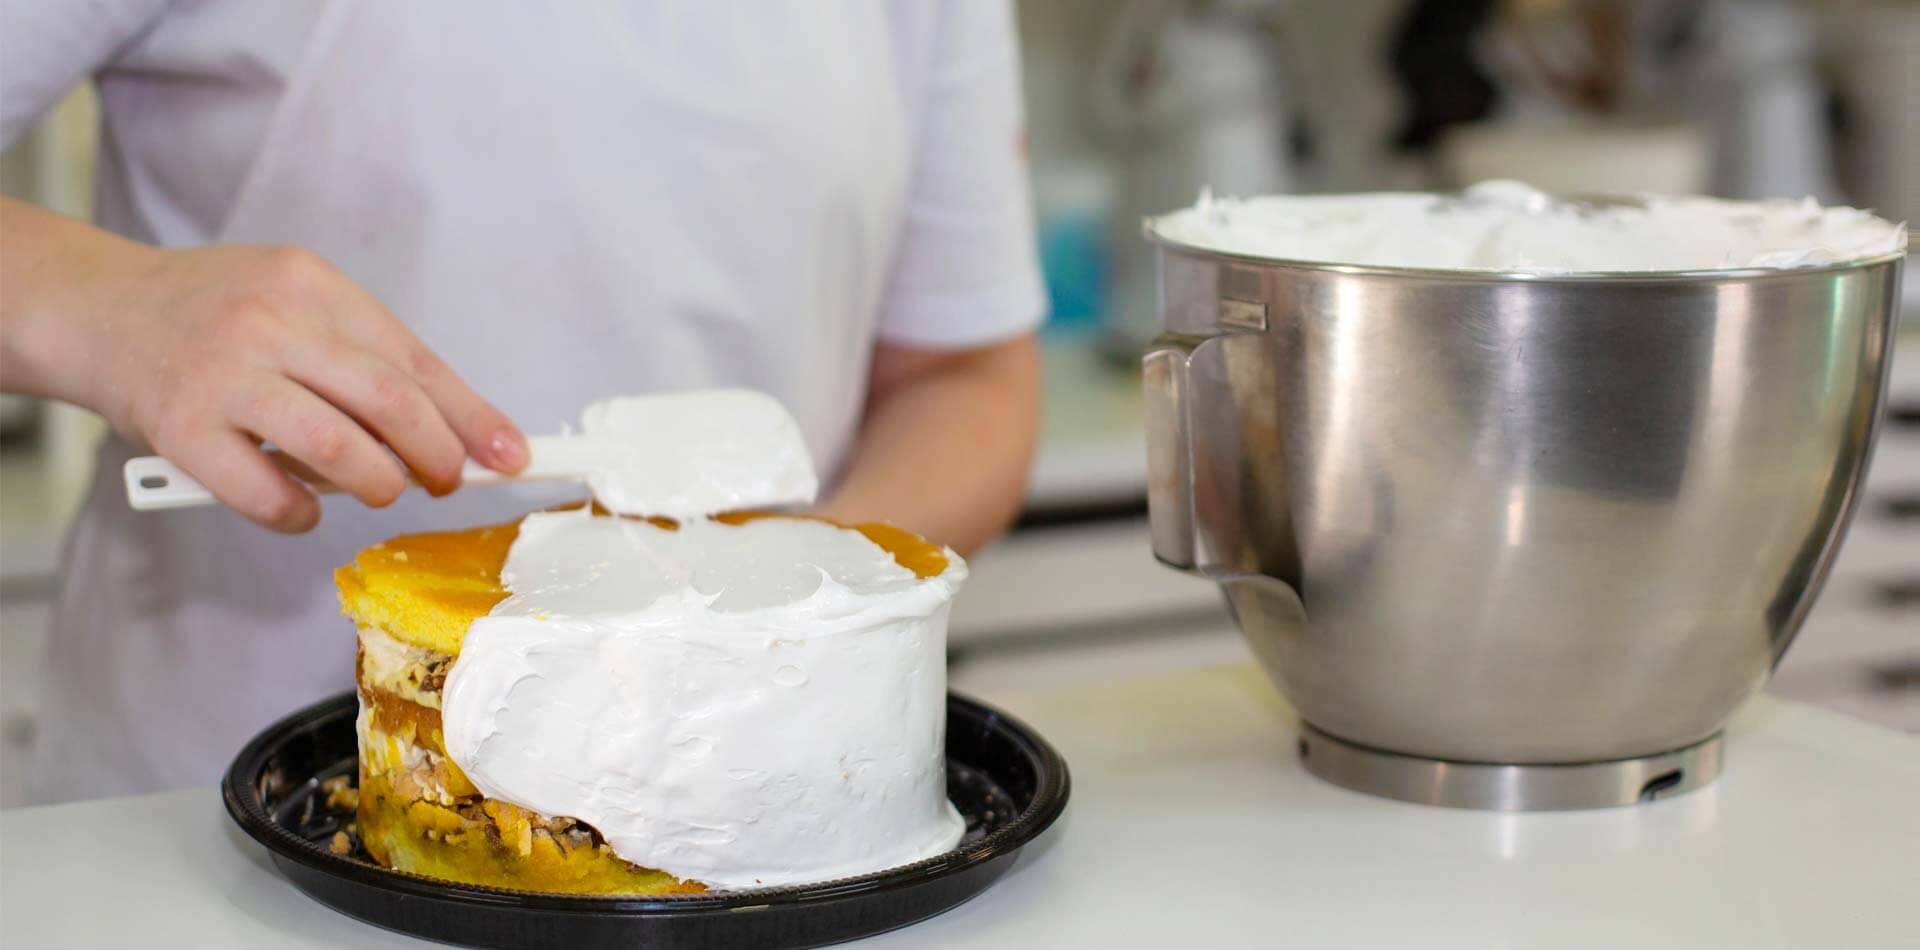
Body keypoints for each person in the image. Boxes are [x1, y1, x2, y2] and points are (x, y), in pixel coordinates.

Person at [0, 2, 1044, 804]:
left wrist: (775, 604)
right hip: (212, 822)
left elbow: (966, 376)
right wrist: (105, 305)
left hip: (751, 807)